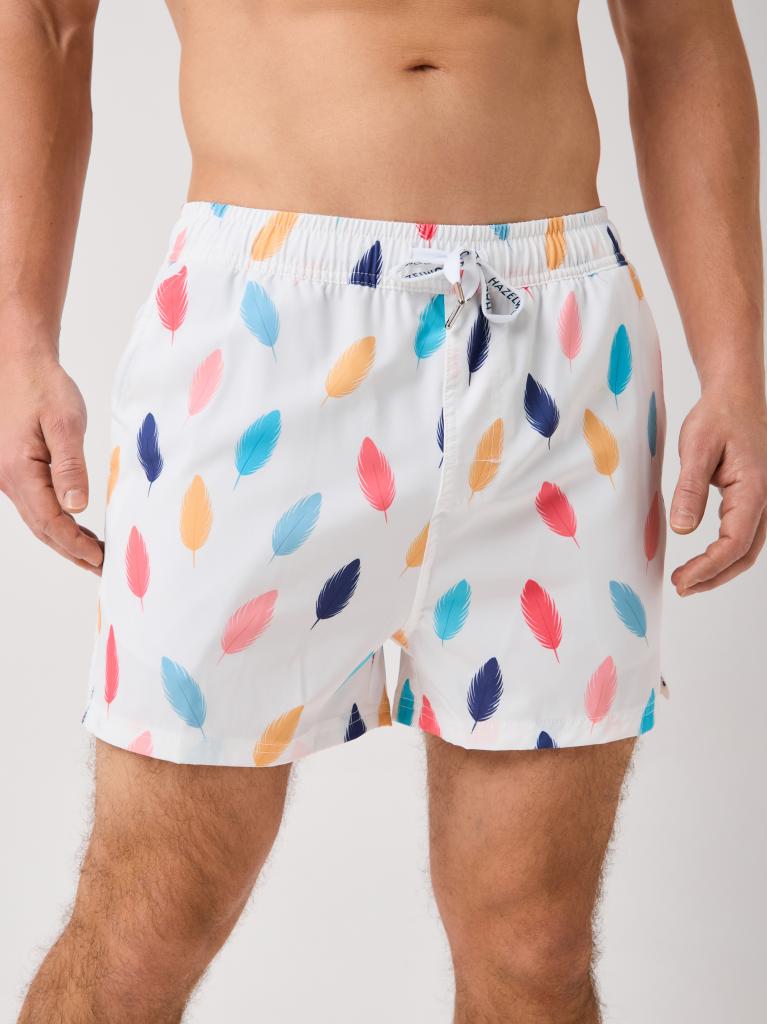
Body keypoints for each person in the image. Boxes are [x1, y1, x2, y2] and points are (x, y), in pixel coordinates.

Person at [3, 1, 765, 1021]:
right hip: (261, 337)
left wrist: (734, 362)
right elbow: (44, 19)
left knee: (532, 944)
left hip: (559, 342)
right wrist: (17, 334)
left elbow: (676, 29)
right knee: (149, 914)